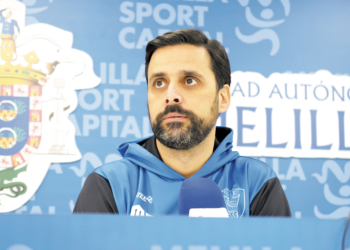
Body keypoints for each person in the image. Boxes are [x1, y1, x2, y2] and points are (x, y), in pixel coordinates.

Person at [73, 29, 291, 217]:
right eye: (159, 82)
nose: (171, 96)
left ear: (222, 98)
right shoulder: (108, 185)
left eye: (189, 80)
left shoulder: (257, 183)